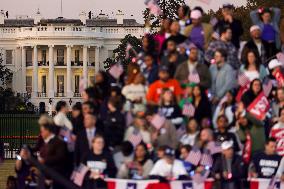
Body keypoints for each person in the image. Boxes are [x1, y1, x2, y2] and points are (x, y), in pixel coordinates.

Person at [38, 120, 69, 189]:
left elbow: (61, 157)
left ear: (47, 131)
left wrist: (45, 160)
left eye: (42, 131)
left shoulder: (59, 142)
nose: (41, 134)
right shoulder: (45, 142)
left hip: (55, 177)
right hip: (45, 175)